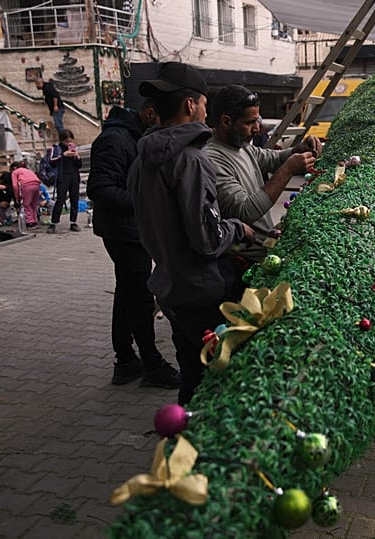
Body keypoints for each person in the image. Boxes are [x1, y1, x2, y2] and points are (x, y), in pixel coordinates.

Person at [127, 62, 254, 405]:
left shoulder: (141, 161)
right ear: (190, 105)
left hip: (171, 288)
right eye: (204, 105)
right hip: (202, 292)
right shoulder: (191, 161)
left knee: (191, 373)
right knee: (215, 382)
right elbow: (206, 239)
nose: (205, 112)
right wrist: (236, 228)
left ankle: (185, 430)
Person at [87, 100, 180, 389]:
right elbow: (99, 189)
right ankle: (152, 365)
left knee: (126, 294)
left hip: (132, 230)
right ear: (150, 113)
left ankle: (125, 360)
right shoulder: (115, 140)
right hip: (123, 233)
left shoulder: (133, 136)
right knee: (139, 298)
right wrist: (146, 201)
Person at [204, 84, 319, 263]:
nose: (257, 129)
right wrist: (288, 169)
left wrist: (298, 149)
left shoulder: (243, 147)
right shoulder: (212, 159)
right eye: (249, 123)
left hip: (265, 253)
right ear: (226, 121)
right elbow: (245, 211)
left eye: (257, 121)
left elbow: (272, 158)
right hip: (243, 262)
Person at [48, 129, 82, 234]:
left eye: (70, 141)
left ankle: (73, 222)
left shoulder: (73, 149)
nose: (69, 143)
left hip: (74, 175)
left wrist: (77, 157)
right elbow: (51, 161)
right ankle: (53, 222)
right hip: (63, 176)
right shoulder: (56, 148)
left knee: (74, 199)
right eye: (66, 141)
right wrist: (63, 155)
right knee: (60, 199)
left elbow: (79, 165)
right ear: (62, 140)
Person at [9, 161, 42, 229]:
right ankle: (35, 221)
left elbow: (15, 186)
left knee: (27, 204)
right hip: (37, 185)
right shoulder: (28, 170)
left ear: (14, 167)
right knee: (34, 205)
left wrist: (17, 197)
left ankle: (30, 222)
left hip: (27, 186)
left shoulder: (15, 172)